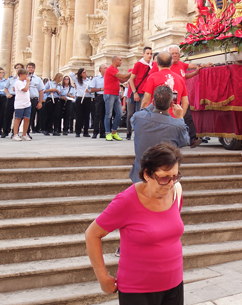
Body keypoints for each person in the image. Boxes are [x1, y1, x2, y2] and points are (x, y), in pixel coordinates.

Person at [85, 142, 184, 304]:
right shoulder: (126, 201)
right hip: (138, 290)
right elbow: (92, 234)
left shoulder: (176, 191)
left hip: (174, 284)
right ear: (147, 174)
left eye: (175, 176)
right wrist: (102, 277)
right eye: (165, 178)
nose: (171, 183)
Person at [129, 86, 190, 184]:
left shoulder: (138, 118)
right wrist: (180, 118)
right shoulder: (177, 125)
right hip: (163, 181)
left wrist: (157, 102)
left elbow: (143, 111)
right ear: (171, 104)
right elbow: (185, 141)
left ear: (153, 102)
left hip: (140, 178)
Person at [104, 56, 132, 141]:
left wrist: (130, 76)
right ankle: (108, 133)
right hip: (109, 94)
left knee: (119, 113)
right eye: (120, 60)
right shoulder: (111, 69)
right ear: (115, 61)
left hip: (116, 94)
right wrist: (132, 72)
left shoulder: (115, 70)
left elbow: (122, 80)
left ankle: (114, 131)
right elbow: (122, 76)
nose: (121, 62)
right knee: (108, 114)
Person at [128, 47, 153, 114]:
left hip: (149, 92)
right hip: (140, 92)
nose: (150, 55)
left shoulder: (153, 65)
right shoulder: (138, 64)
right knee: (139, 112)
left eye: (151, 54)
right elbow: (131, 79)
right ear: (143, 54)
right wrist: (135, 92)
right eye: (147, 53)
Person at [10, 68, 32, 141]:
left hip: (27, 103)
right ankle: (15, 134)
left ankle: (24, 134)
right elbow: (25, 90)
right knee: (18, 118)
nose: (27, 76)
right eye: (25, 75)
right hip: (20, 103)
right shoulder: (18, 82)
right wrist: (28, 82)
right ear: (21, 75)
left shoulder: (24, 82)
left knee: (27, 118)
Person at [25, 62, 45, 135]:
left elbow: (41, 90)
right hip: (24, 99)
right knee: (23, 116)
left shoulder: (37, 79)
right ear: (26, 68)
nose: (31, 69)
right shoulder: (23, 78)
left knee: (32, 115)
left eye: (32, 68)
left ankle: (28, 131)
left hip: (33, 99)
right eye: (29, 67)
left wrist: (40, 102)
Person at [88, 65, 107, 139]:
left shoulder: (108, 78)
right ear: (100, 70)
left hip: (107, 97)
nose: (106, 69)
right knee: (98, 115)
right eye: (105, 68)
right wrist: (101, 89)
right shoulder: (96, 79)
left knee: (105, 115)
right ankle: (95, 132)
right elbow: (92, 89)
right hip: (99, 97)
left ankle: (103, 132)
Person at [74, 68, 92, 137]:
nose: (85, 73)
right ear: (81, 74)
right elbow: (71, 74)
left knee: (87, 116)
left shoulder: (89, 80)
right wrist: (77, 73)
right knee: (79, 115)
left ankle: (86, 132)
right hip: (80, 98)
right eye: (83, 72)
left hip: (87, 98)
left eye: (85, 72)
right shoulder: (78, 80)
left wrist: (89, 91)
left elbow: (92, 88)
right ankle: (78, 131)